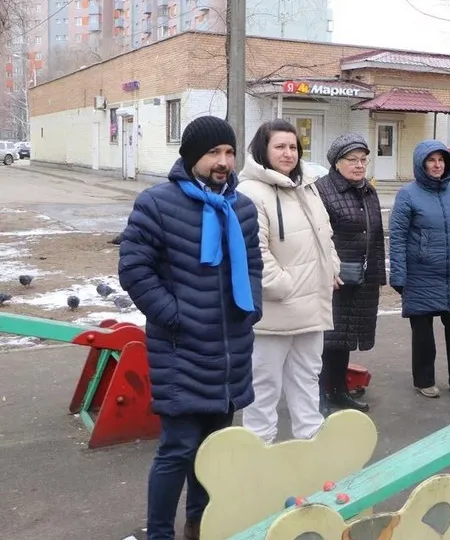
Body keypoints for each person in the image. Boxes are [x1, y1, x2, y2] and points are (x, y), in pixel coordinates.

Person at [118, 115, 263, 540]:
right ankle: (160, 533)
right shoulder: (157, 203)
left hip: (231, 349)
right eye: (213, 153)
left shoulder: (242, 207)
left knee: (215, 452)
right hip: (180, 349)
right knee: (178, 451)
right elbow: (134, 269)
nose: (223, 162)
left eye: (229, 152)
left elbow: (254, 263)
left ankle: (201, 526)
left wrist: (249, 307)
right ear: (191, 156)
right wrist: (175, 316)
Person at [235, 119, 340, 444]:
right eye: (279, 146)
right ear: (263, 150)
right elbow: (254, 251)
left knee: (307, 379)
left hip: (310, 308)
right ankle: (258, 455)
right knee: (264, 387)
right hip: (274, 313)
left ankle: (310, 446)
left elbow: (324, 233)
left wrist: (331, 267)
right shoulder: (250, 192)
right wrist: (283, 286)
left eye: (293, 147)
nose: (288, 153)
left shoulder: (307, 186)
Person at [389, 139, 450, 398]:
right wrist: (398, 275)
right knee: (423, 334)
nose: (437, 165)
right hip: (420, 274)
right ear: (421, 164)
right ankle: (424, 380)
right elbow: (397, 237)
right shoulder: (407, 195)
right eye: (431, 160)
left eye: (441, 160)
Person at [316, 133, 387, 413]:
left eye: (363, 160)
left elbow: (377, 236)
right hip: (334, 279)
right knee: (326, 341)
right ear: (336, 163)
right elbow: (319, 237)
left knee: (344, 338)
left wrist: (378, 275)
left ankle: (339, 391)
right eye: (352, 160)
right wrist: (328, 271)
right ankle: (320, 396)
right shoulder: (322, 191)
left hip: (362, 278)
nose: (359, 166)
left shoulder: (368, 191)